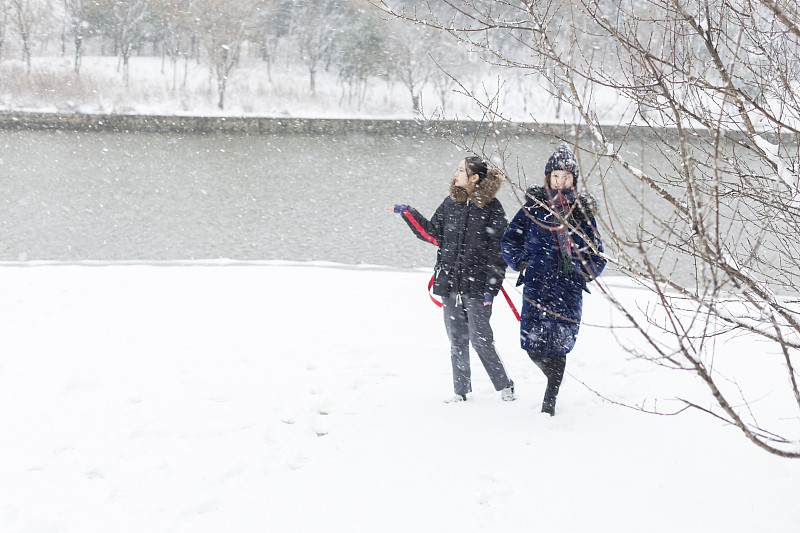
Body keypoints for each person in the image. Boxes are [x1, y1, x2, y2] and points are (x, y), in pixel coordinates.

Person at [387, 156, 515, 403]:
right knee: (457, 339)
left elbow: (498, 253)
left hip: (477, 287)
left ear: (475, 177)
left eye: (461, 170)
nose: (455, 173)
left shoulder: (492, 207)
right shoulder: (451, 203)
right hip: (450, 285)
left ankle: (505, 385)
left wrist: (491, 289)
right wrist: (408, 213)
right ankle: (461, 392)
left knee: (480, 340)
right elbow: (434, 234)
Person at [501, 143, 605, 416]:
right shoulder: (533, 208)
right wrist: (522, 263)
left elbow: (598, 254)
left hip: (567, 289)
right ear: (548, 178)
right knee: (532, 346)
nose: (560, 182)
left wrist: (583, 273)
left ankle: (550, 403)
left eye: (565, 177)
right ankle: (551, 381)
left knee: (559, 346)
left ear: (573, 180)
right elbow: (509, 240)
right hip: (536, 284)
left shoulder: (581, 213)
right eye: (555, 176)